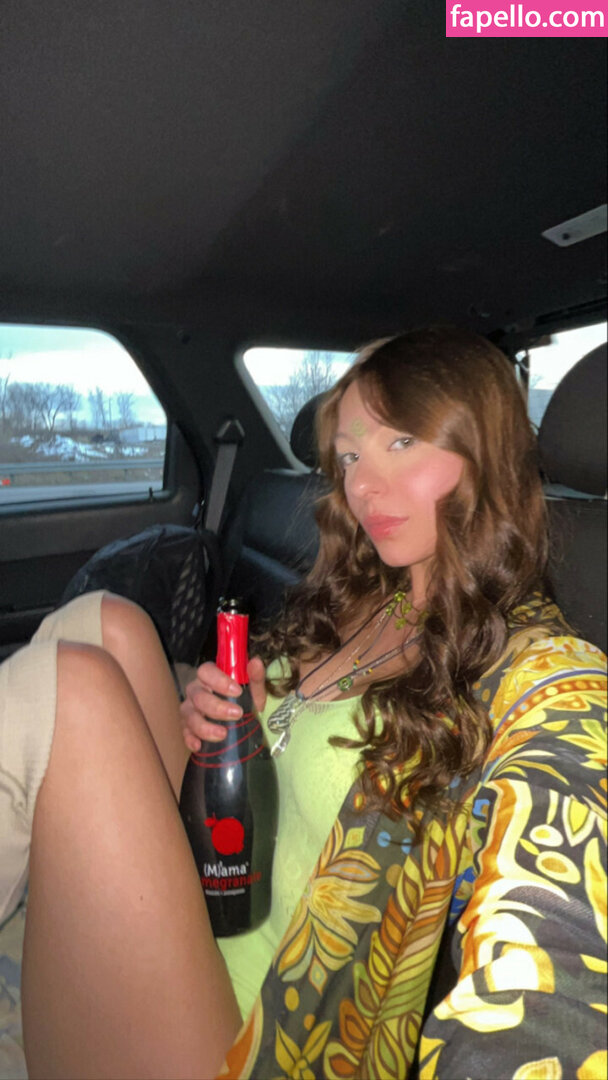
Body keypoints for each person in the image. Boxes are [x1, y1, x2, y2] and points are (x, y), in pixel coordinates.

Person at [0, 326, 605, 1080]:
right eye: (349, 457)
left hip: (260, 1031)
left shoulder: (538, 666)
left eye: (401, 442)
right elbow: (277, 757)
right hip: (212, 894)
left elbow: (565, 918)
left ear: (485, 449)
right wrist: (218, 726)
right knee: (107, 623)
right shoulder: (372, 595)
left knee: (76, 686)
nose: (364, 486)